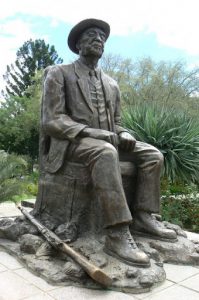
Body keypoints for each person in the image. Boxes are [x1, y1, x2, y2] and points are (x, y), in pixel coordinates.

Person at [40, 18, 177, 267]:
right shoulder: (59, 74)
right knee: (104, 152)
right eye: (92, 35)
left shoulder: (112, 84)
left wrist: (125, 134)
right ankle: (117, 234)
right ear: (78, 43)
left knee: (153, 155)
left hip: (110, 142)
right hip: (74, 144)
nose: (98, 39)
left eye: (102, 37)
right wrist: (91, 133)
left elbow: (118, 122)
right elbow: (52, 120)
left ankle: (144, 217)